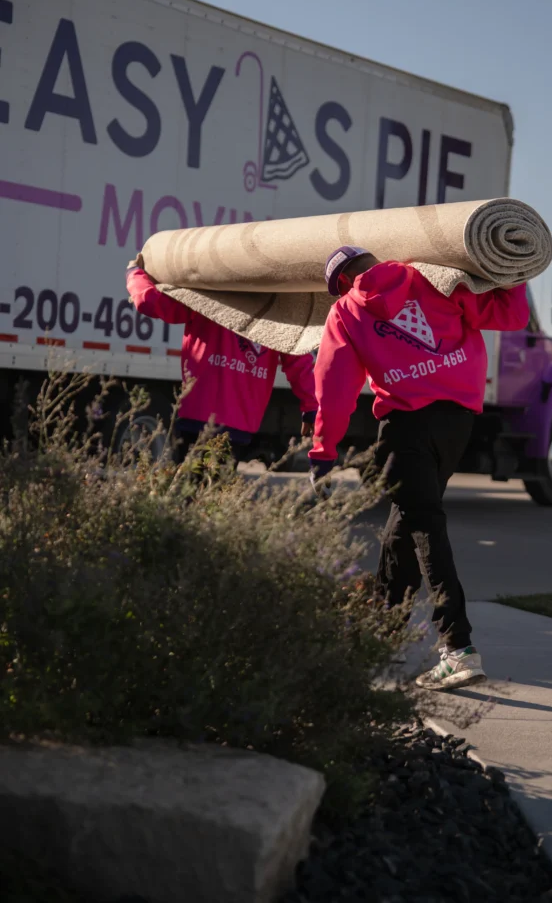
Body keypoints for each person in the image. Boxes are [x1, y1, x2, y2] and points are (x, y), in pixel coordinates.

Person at [309, 245, 529, 690]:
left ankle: (458, 647)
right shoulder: (430, 278)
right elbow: (509, 314)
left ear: (342, 282)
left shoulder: (347, 312)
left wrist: (323, 450)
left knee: (423, 524)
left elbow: (334, 387)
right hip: (458, 422)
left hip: (406, 426)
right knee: (402, 529)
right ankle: (380, 639)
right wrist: (514, 267)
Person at [126, 255, 317, 464]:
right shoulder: (277, 314)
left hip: (197, 420)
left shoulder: (205, 300)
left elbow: (149, 301)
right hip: (240, 428)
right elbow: (300, 363)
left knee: (193, 491)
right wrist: (311, 408)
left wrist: (134, 274)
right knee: (216, 490)